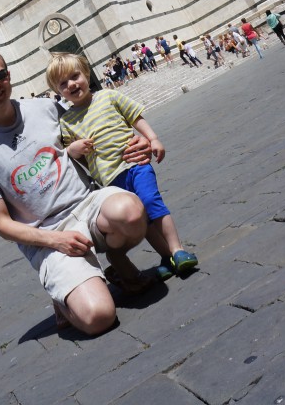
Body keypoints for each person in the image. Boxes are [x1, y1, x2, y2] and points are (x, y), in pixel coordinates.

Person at [0, 48, 154, 337]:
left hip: (88, 204)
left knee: (131, 211)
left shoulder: (44, 107)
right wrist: (55, 240)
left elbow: (92, 120)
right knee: (98, 317)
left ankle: (117, 262)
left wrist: (137, 140)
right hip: (48, 234)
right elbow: (1, 223)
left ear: (8, 75)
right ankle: (63, 298)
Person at [47, 53, 198, 282]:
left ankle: (178, 250)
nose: (72, 84)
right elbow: (75, 159)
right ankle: (166, 257)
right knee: (143, 219)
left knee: (151, 201)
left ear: (86, 74)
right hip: (110, 181)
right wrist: (72, 151)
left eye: (75, 76)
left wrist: (153, 139)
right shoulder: (66, 121)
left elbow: (135, 117)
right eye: (63, 83)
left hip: (134, 165)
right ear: (58, 91)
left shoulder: (108, 96)